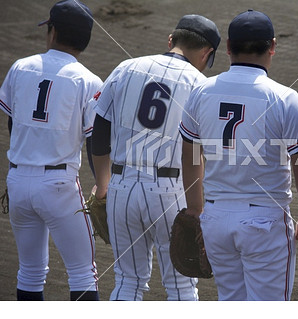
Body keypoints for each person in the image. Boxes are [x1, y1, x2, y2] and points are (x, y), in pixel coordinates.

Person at [179, 9, 298, 301]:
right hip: (264, 222)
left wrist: (195, 211)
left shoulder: (201, 91)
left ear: (227, 48)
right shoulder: (284, 98)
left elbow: (190, 154)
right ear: (273, 46)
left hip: (215, 219)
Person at [90, 14, 221, 301]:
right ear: (207, 53)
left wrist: (103, 185)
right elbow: (198, 153)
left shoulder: (126, 68)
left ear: (171, 40)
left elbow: (98, 130)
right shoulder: (201, 84)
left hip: (122, 189)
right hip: (171, 193)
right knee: (181, 287)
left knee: (127, 281)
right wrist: (196, 207)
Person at [0, 0, 101, 301]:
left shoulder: (21, 66)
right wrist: (103, 184)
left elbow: (12, 123)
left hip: (17, 182)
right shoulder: (89, 80)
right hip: (59, 186)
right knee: (83, 272)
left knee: (30, 271)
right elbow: (96, 141)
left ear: (52, 31)